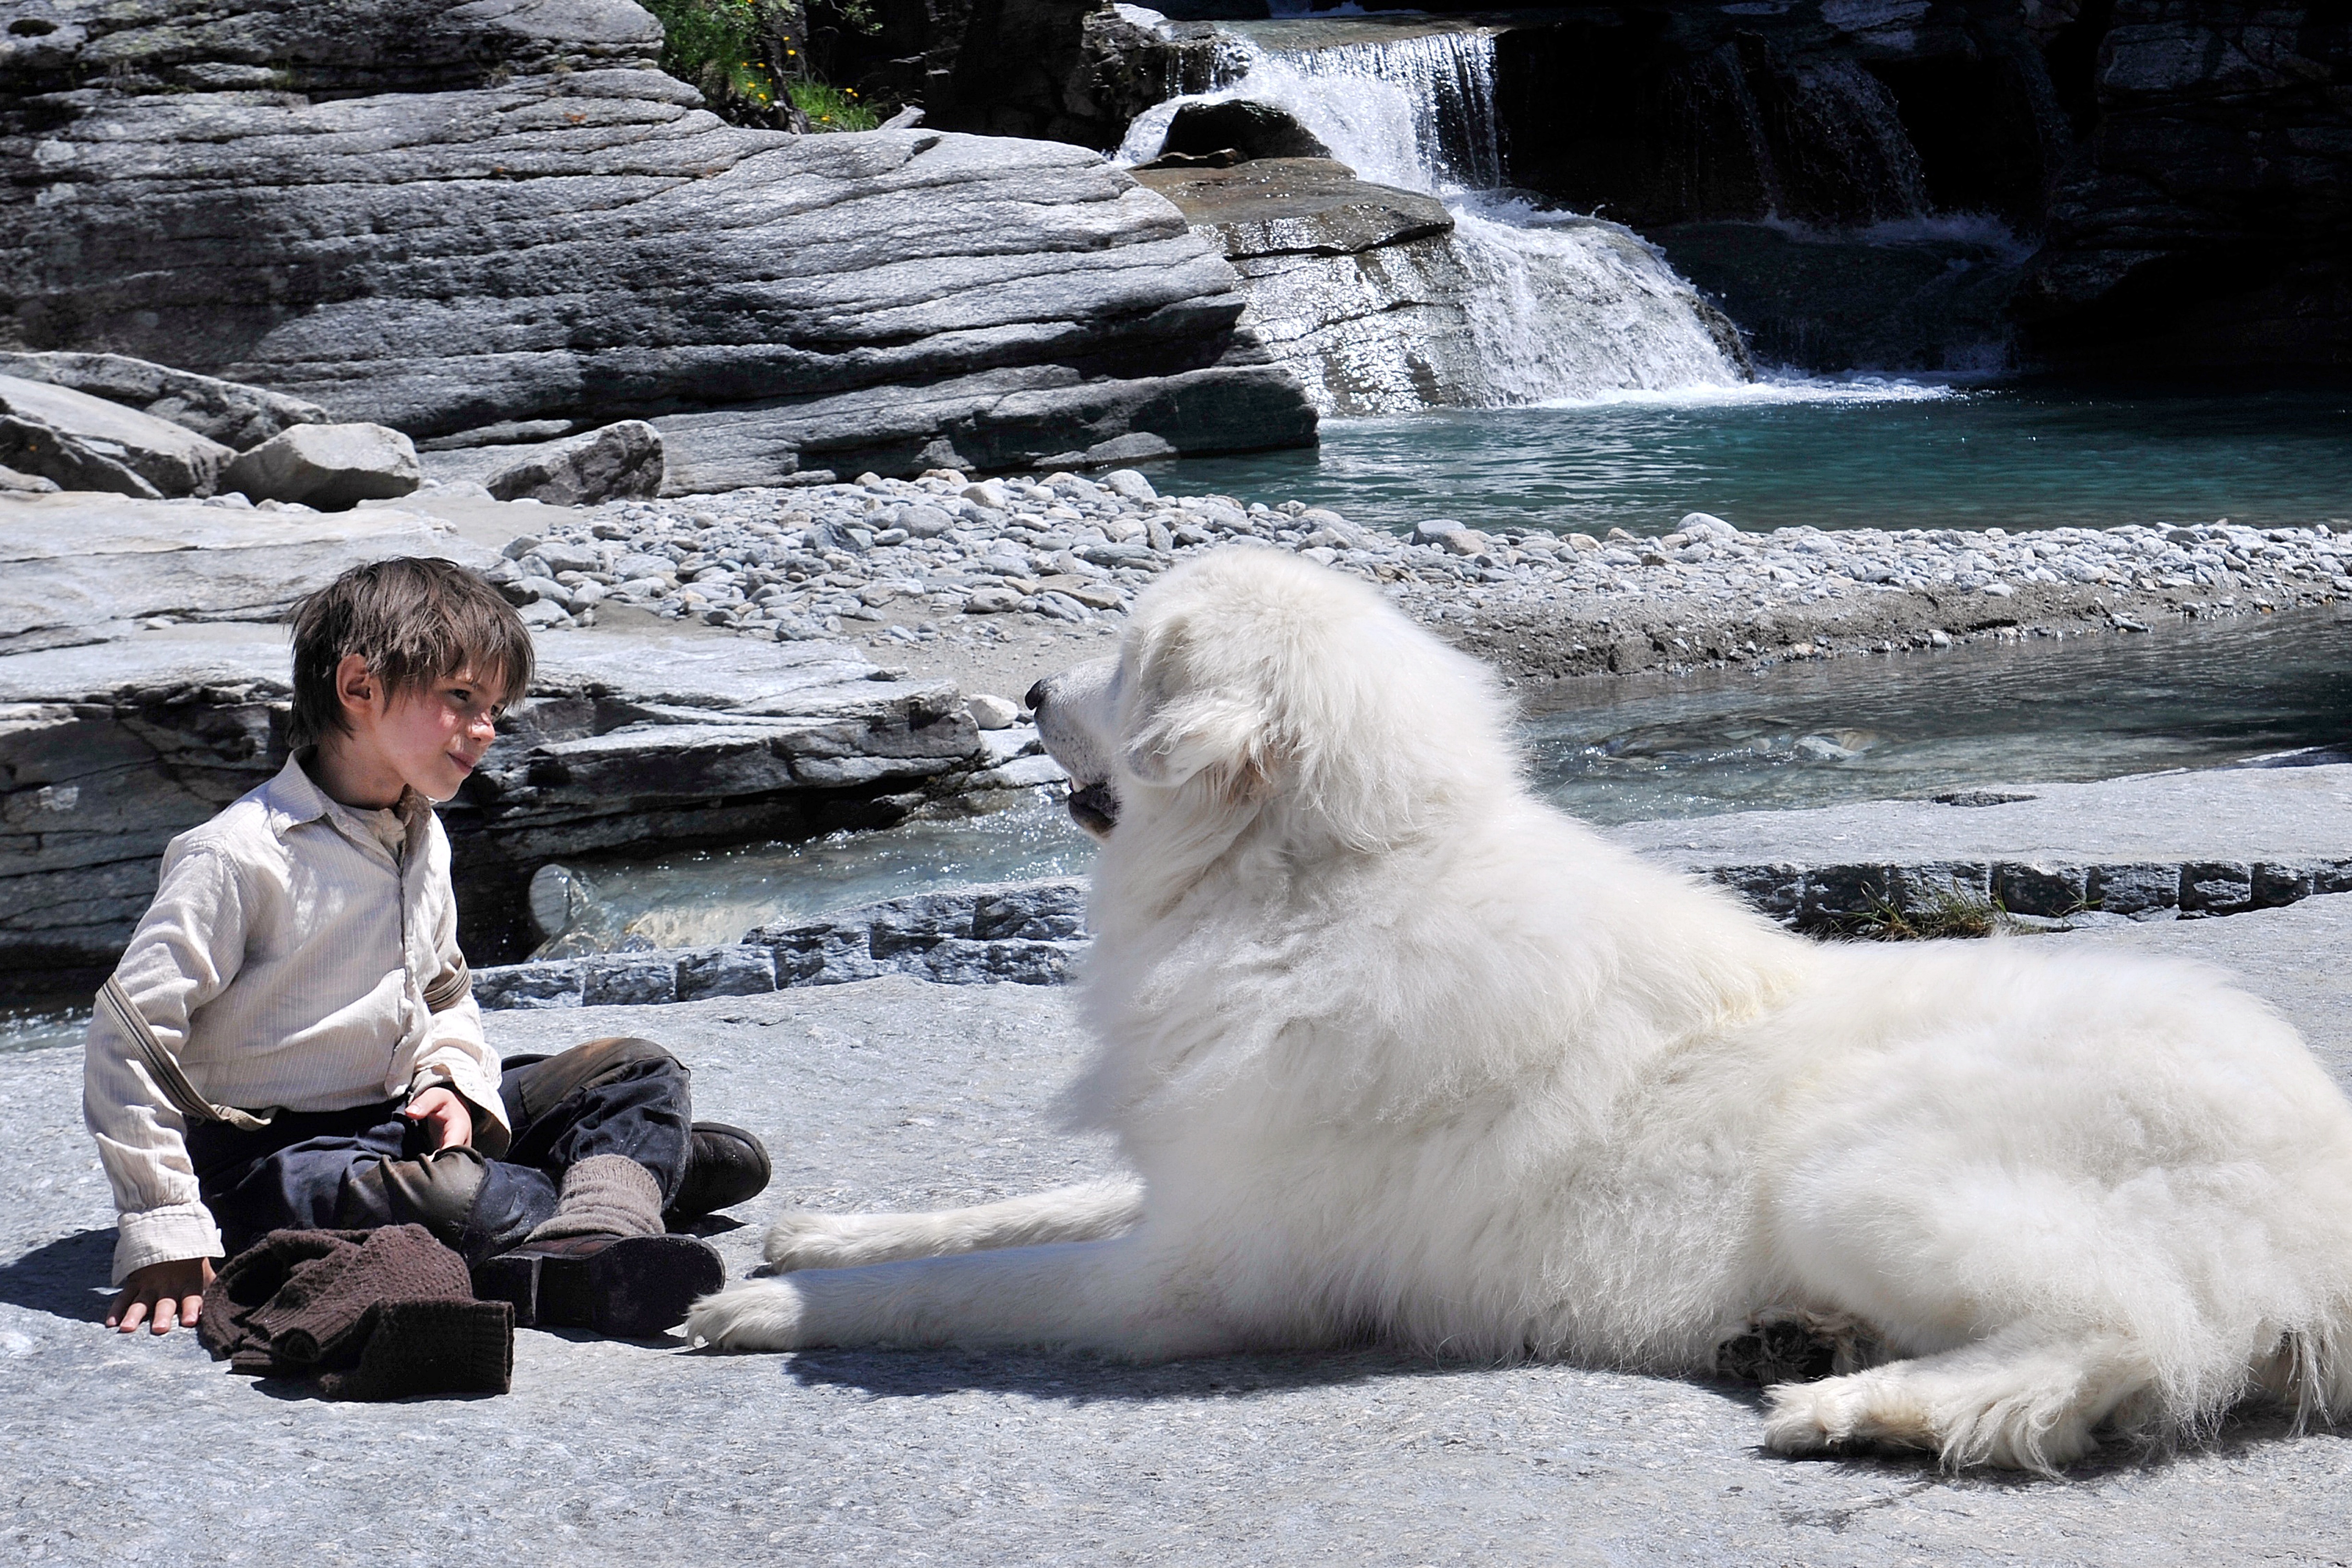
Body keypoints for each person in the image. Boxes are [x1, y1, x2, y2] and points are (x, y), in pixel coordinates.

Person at [85, 557, 770, 1341]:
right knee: (449, 1197)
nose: (485, 729)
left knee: (636, 1065)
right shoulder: (238, 855)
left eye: (494, 709)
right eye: (461, 698)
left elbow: (444, 994)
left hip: (401, 1117)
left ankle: (598, 1208)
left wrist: (453, 1082)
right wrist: (167, 1226)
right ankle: (621, 1183)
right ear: (358, 687)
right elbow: (125, 1041)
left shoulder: (421, 831)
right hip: (274, 1159)